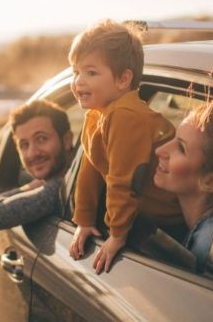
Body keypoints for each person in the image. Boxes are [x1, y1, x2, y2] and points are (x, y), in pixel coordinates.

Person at [67, 20, 183, 274]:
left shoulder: (125, 116)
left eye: (91, 73)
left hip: (168, 222)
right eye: (76, 72)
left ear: (123, 79)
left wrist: (117, 235)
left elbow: (123, 180)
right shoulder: (98, 114)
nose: (79, 82)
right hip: (145, 217)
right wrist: (84, 220)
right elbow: (91, 168)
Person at [153, 101, 213, 273]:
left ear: (211, 182)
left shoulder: (208, 250)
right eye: (173, 137)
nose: (160, 150)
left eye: (181, 148)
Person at [0, 99, 74, 232]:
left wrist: (29, 188)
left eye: (41, 139)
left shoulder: (60, 189)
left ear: (67, 140)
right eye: (24, 145)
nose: (32, 153)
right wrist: (33, 186)